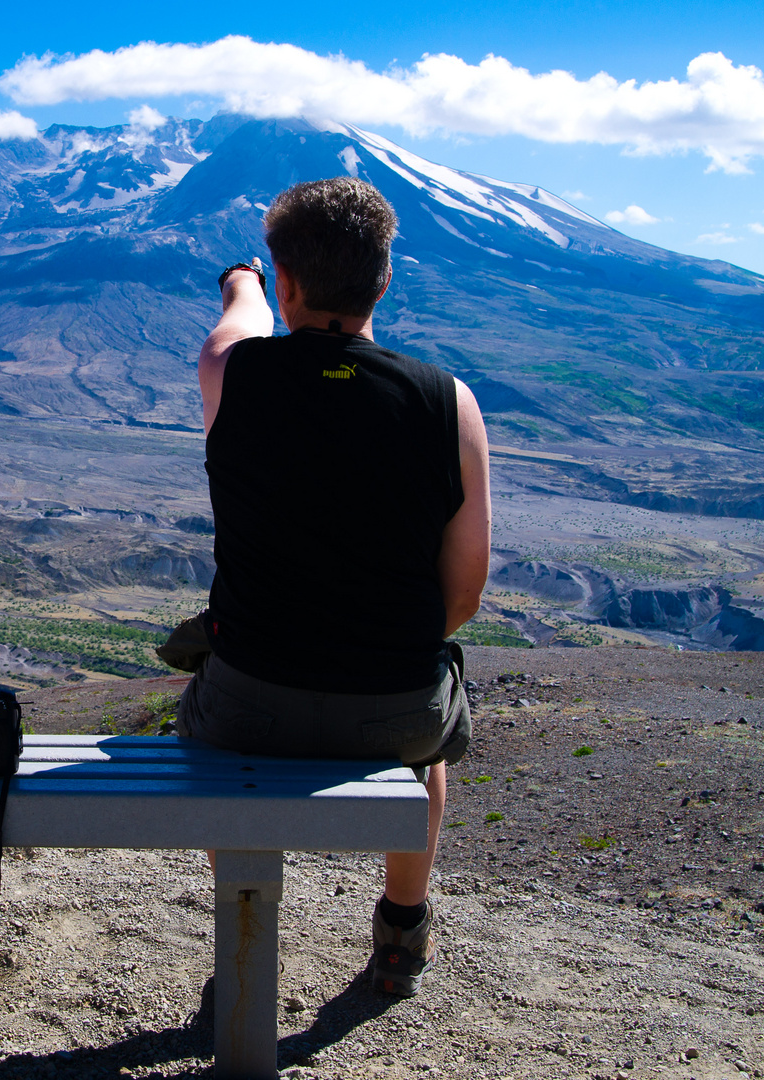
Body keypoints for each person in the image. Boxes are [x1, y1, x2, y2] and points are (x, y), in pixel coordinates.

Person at [175, 177, 492, 996]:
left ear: (286, 283)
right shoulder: (448, 404)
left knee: (204, 709)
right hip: (394, 707)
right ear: (385, 280)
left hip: (251, 699)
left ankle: (246, 927)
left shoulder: (235, 373)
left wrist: (242, 283)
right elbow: (462, 596)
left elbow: (237, 330)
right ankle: (402, 928)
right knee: (429, 733)